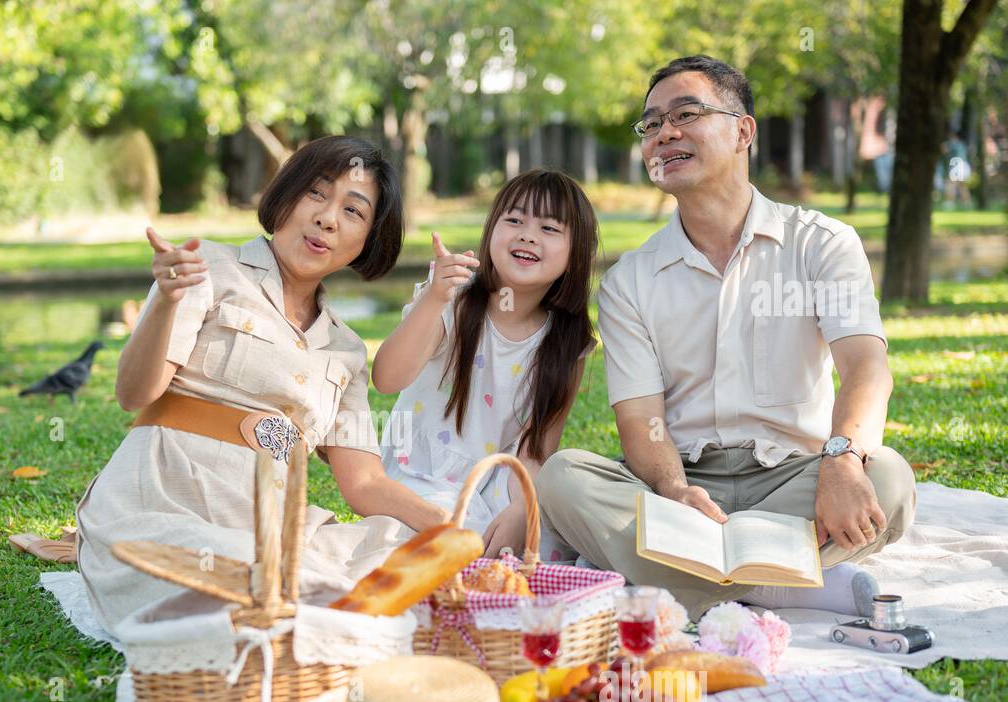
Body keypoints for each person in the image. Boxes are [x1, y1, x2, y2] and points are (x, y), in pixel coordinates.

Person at [537, 55, 917, 619]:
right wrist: (673, 491)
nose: (664, 133)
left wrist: (842, 462)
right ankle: (779, 580)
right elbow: (641, 421)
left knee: (888, 477)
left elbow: (866, 367)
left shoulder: (822, 243)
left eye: (685, 114)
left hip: (795, 476)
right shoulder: (629, 281)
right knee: (564, 477)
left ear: (743, 132)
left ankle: (670, 574)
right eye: (651, 124)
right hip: (685, 487)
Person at [75, 136, 449, 632]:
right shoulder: (206, 268)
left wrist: (448, 525)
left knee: (396, 547)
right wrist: (166, 300)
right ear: (286, 196)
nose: (328, 218)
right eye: (316, 193)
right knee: (243, 577)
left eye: (353, 211)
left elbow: (364, 484)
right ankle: (315, 609)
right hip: (165, 505)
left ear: (368, 240)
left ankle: (316, 604)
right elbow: (133, 394)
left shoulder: (347, 350)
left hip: (272, 523)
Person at [372, 170, 598, 559]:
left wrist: (521, 509)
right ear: (491, 229)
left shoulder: (566, 342)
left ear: (575, 253)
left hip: (496, 481)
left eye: (548, 228)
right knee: (459, 535)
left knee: (554, 539)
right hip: (421, 473)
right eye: (514, 220)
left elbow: (536, 449)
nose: (528, 235)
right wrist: (433, 299)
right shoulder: (454, 300)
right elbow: (387, 378)